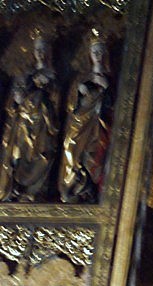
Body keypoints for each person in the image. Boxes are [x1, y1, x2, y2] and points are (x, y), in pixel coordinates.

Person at [0, 28, 60, 201]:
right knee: (18, 154)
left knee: (42, 155)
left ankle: (35, 191)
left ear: (49, 53)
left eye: (44, 49)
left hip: (43, 124)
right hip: (23, 124)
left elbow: (57, 103)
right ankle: (16, 189)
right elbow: (11, 104)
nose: (40, 53)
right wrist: (17, 100)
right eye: (38, 49)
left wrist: (47, 89)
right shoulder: (25, 75)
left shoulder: (53, 77)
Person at [58, 28, 113, 203]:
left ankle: (87, 190)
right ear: (89, 54)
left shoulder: (110, 78)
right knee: (71, 148)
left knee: (94, 153)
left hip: (98, 124)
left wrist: (106, 87)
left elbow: (114, 104)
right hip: (79, 123)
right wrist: (79, 91)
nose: (97, 55)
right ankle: (71, 187)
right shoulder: (81, 78)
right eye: (94, 52)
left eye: (100, 52)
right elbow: (70, 106)